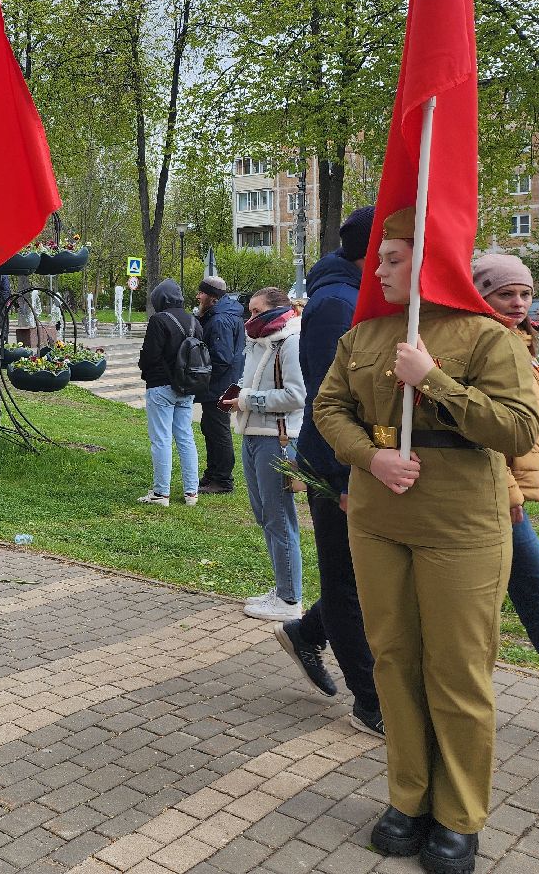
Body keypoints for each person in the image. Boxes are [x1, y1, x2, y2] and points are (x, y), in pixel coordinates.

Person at [314, 207, 539, 873]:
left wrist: (432, 379)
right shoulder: (363, 336)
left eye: (392, 257)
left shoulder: (485, 337)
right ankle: (408, 799)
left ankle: (459, 816)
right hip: (381, 520)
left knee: (458, 672)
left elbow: (519, 430)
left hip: (460, 528)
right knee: (394, 662)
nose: (376, 268)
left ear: (430, 260)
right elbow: (330, 407)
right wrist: (372, 458)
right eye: (378, 257)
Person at [279, 205, 382, 737]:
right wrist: (343, 479)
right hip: (338, 467)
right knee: (347, 582)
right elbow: (328, 398)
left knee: (362, 579)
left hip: (361, 463)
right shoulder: (337, 304)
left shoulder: (355, 295)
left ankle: (307, 633)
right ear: (373, 249)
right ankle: (370, 701)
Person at [473, 253, 539, 724]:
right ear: (480, 294)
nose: (519, 302)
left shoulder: (521, 343)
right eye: (504, 293)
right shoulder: (481, 343)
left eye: (525, 293)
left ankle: (314, 628)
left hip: (505, 504)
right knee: (537, 602)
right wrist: (511, 493)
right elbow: (474, 428)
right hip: (488, 502)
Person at [224, 286, 305, 622]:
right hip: (252, 434)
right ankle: (282, 588)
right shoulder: (259, 341)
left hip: (279, 438)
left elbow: (297, 395)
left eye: (258, 312)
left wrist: (248, 400)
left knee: (279, 517)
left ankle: (289, 599)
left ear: (277, 309)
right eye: (250, 312)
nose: (251, 318)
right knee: (265, 515)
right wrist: (239, 400)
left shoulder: (290, 341)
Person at [136, 278, 201, 507]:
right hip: (187, 386)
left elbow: (150, 355)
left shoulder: (159, 321)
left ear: (160, 300)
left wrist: (143, 366)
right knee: (185, 438)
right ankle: (191, 492)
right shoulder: (194, 321)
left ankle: (161, 493)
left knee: (161, 439)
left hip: (161, 386)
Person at [196, 276, 244, 495]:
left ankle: (222, 480)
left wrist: (200, 375)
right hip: (224, 383)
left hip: (219, 385)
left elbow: (221, 358)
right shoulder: (222, 315)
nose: (198, 296)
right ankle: (213, 473)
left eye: (202, 293)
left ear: (213, 298)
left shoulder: (220, 320)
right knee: (211, 427)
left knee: (218, 430)